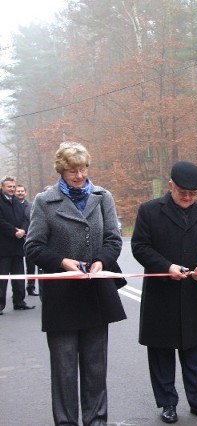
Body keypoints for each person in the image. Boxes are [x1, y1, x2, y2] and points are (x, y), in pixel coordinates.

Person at [24, 142, 126, 425]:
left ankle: (97, 421)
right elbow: (32, 247)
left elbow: (113, 239)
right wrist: (63, 262)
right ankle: (66, 422)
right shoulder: (45, 201)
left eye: (83, 168)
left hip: (96, 292)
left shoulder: (103, 196)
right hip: (62, 296)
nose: (79, 175)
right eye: (72, 170)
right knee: (65, 369)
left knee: (95, 367)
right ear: (61, 170)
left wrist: (101, 261)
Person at [131, 161, 197, 423]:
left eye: (193, 193)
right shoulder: (149, 211)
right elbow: (140, 247)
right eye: (182, 191)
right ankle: (167, 403)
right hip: (161, 294)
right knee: (161, 352)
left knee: (194, 351)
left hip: (193, 293)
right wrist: (167, 266)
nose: (187, 197)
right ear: (170, 185)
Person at [0, 176, 33, 314]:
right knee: (2, 278)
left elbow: (26, 218)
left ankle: (19, 301)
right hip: (3, 247)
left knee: (19, 276)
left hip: (18, 246)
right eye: (10, 187)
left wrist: (24, 230)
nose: (12, 189)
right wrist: (14, 231)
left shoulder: (17, 203)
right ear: (2, 187)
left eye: (14, 187)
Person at [16, 184, 38, 296]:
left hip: (29, 238)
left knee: (31, 265)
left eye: (22, 191)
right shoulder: (10, 205)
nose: (20, 193)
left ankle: (31, 287)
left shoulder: (31, 206)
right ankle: (18, 292)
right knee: (17, 268)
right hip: (15, 239)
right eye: (18, 191)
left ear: (25, 193)